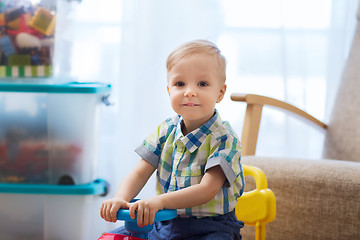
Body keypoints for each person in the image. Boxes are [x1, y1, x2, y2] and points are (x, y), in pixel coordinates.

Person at [100, 39, 245, 239]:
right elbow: (140, 173)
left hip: (211, 227)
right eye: (180, 84)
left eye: (202, 83)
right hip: (165, 220)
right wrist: (120, 198)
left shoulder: (224, 139)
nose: (190, 91)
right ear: (169, 91)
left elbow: (206, 189)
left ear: (220, 93)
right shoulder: (165, 130)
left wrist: (160, 202)